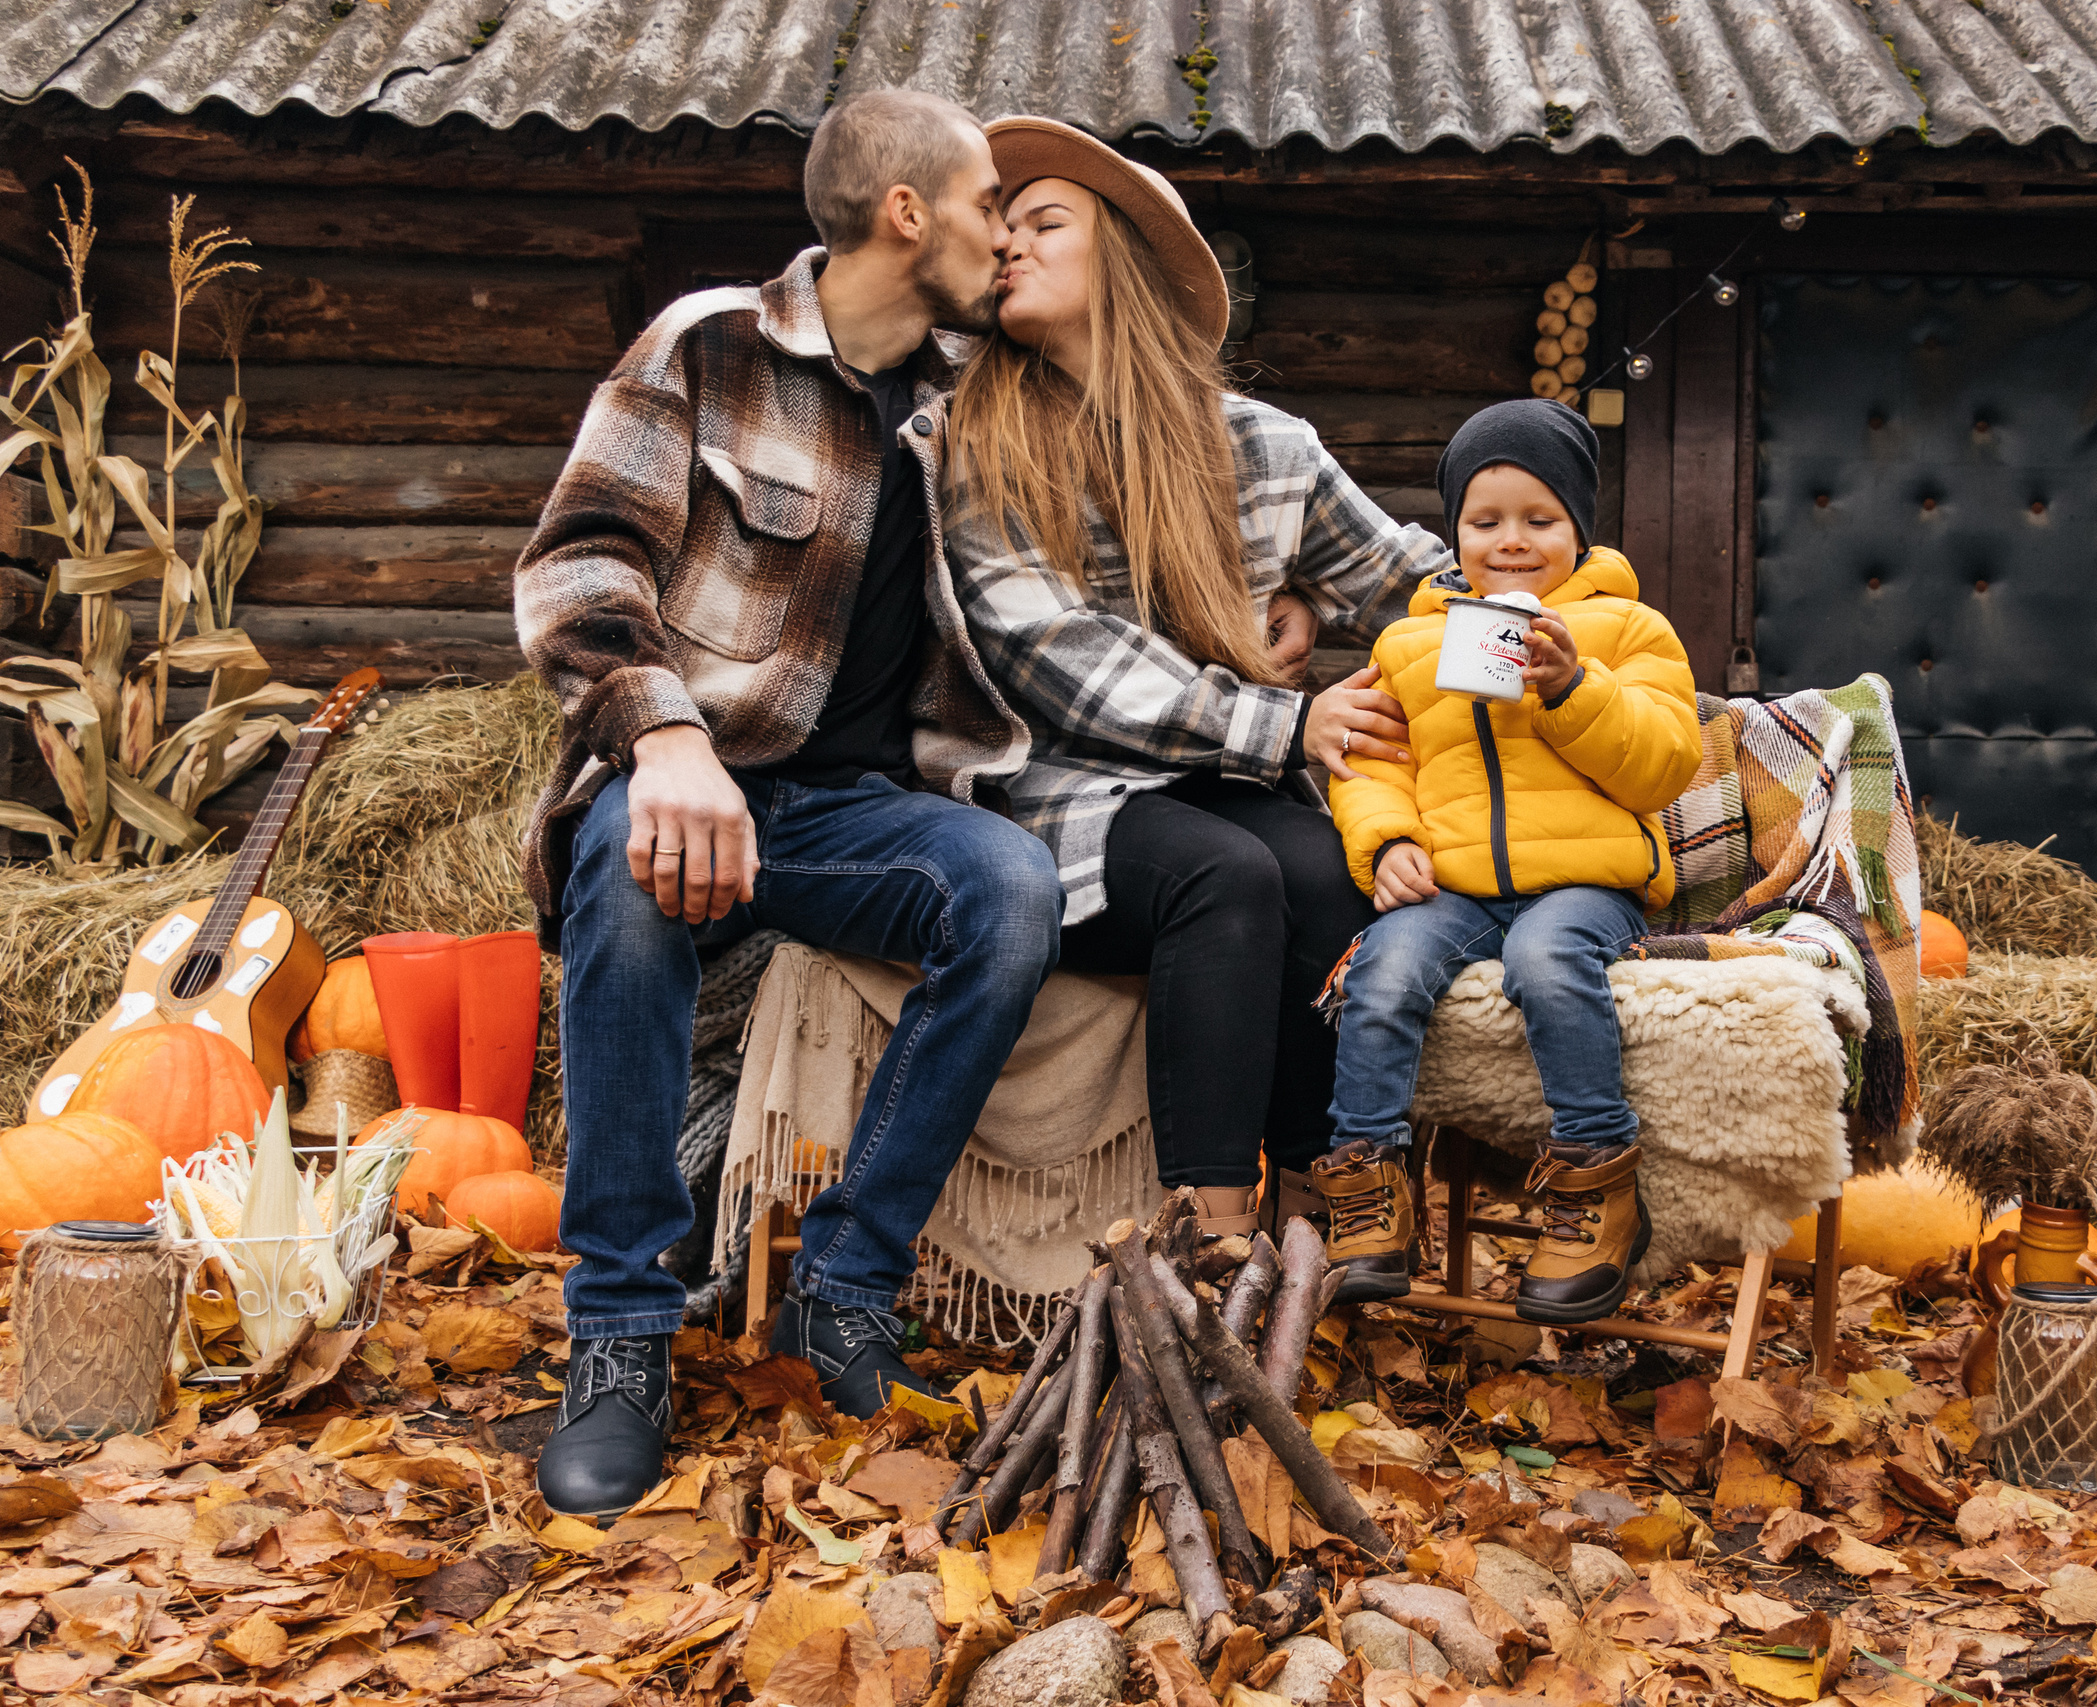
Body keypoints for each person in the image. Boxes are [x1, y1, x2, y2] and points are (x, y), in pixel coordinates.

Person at [514, 90, 1066, 1520]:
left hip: (850, 812)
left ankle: (844, 1284)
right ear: (906, 214)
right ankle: (623, 1335)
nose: (1001, 231)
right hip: (680, 776)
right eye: (985, 201)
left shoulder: (972, 397)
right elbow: (577, 567)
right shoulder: (708, 344)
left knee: (1005, 889)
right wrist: (666, 739)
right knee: (630, 896)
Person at [942, 117, 1446, 1235]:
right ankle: (1206, 1248)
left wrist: (1564, 632)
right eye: (998, 231)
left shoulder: (1262, 446)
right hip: (1054, 796)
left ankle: (1319, 1224)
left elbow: (1413, 583)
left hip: (1223, 782)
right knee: (1225, 873)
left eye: (1044, 223)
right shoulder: (971, 445)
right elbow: (1057, 659)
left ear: (1119, 256)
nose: (1008, 247)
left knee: (1327, 873)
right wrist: (1289, 720)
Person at [1314, 400, 1704, 1322]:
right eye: (1485, 522)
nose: (1512, 542)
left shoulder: (1627, 632)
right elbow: (1373, 763)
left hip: (1586, 883)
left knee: (1546, 959)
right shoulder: (1411, 642)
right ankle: (1370, 1187)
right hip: (1458, 888)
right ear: (1454, 532)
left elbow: (1664, 764)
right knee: (1384, 966)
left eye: (1540, 519)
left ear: (1579, 529)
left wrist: (1573, 688)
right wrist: (1390, 841)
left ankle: (1594, 1182)